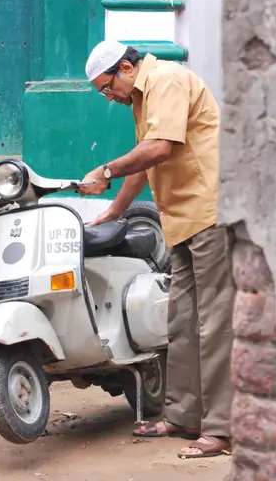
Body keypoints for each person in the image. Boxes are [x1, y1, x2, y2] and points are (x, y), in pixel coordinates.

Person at [78, 40, 236, 459]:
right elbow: (147, 161)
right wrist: (114, 211)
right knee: (181, 320)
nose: (107, 96)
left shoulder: (165, 79)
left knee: (214, 321)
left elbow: (159, 148)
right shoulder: (142, 97)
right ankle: (183, 415)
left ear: (126, 68)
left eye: (105, 87)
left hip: (208, 210)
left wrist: (106, 169)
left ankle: (221, 429)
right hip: (180, 218)